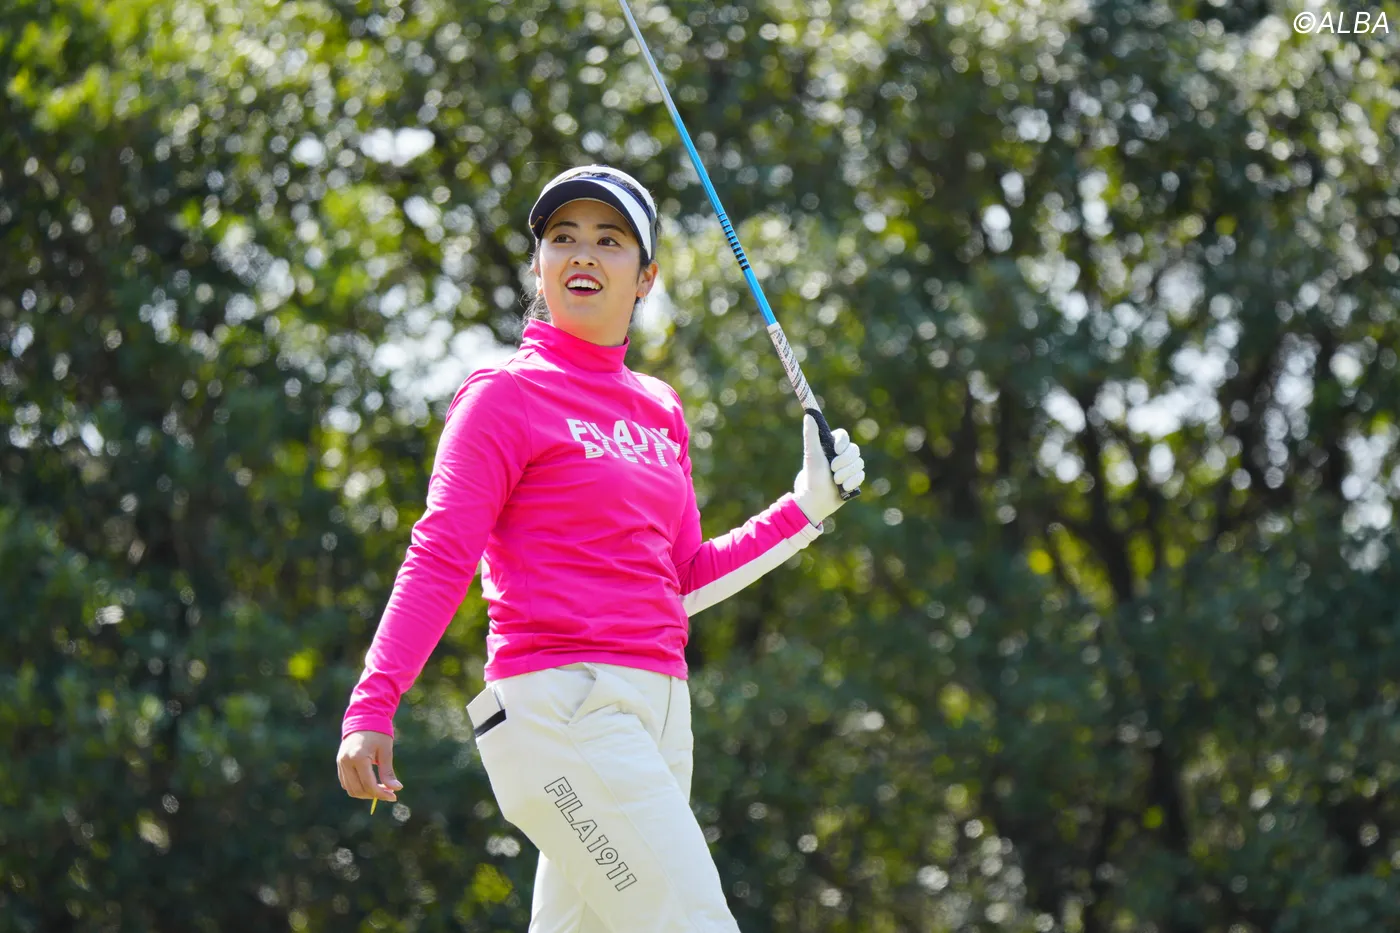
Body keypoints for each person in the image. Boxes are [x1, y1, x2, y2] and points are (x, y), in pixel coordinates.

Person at [335, 164, 866, 932]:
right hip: (562, 711)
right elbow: (440, 553)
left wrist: (806, 508)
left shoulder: (659, 408)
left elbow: (681, 577)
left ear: (646, 276)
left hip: (657, 717)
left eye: (610, 240)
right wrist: (373, 701)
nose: (583, 253)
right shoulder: (503, 394)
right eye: (563, 237)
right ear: (539, 265)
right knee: (694, 923)